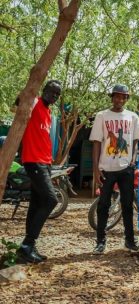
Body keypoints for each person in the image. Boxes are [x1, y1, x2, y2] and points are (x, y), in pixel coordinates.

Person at [90, 84, 139, 255]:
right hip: (106, 168)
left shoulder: (133, 117)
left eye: (123, 97)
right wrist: (96, 168)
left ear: (126, 99)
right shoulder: (102, 116)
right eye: (117, 96)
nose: (119, 99)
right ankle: (100, 241)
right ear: (112, 97)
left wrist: (133, 161)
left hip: (126, 169)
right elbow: (97, 142)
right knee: (103, 205)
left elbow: (135, 141)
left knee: (127, 205)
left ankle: (129, 240)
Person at [15, 80, 62, 263]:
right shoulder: (34, 102)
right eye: (52, 92)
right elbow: (19, 101)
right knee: (51, 200)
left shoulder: (48, 112)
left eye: (58, 94)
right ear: (44, 90)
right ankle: (27, 244)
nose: (54, 96)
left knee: (36, 203)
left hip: (45, 162)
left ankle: (28, 248)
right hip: (33, 161)